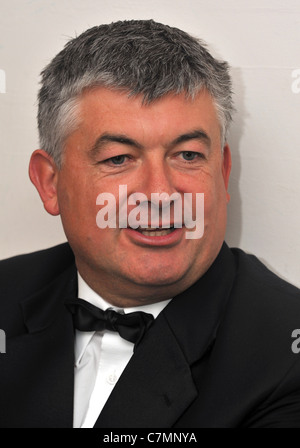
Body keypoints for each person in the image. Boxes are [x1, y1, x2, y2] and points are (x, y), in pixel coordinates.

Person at [0, 19, 300, 429]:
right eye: (118, 159)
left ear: (223, 172)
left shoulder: (285, 355)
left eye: (189, 155)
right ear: (51, 183)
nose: (159, 195)